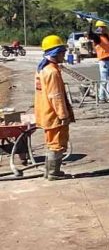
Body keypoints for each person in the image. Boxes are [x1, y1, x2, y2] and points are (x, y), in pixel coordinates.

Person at [35, 35, 75, 180]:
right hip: (54, 115)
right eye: (62, 52)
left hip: (45, 113)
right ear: (55, 53)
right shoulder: (51, 72)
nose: (64, 55)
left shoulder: (43, 69)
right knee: (57, 144)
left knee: (51, 143)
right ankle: (53, 172)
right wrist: (63, 115)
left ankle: (48, 171)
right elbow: (56, 96)